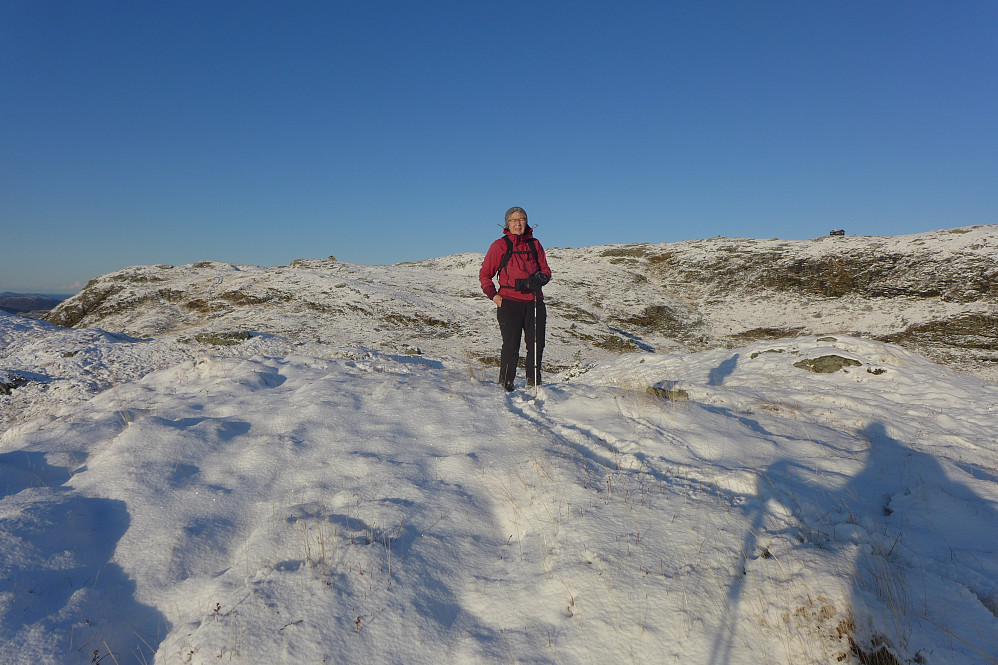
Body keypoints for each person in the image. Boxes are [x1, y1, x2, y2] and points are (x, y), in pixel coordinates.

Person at [479, 206, 552, 391]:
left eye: (522, 219)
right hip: (509, 302)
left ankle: (534, 384)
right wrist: (494, 296)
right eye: (514, 220)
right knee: (511, 346)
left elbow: (545, 270)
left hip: (535, 302)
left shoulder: (535, 245)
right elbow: (485, 274)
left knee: (536, 345)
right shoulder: (499, 245)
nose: (518, 223)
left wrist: (541, 278)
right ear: (507, 223)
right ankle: (505, 384)